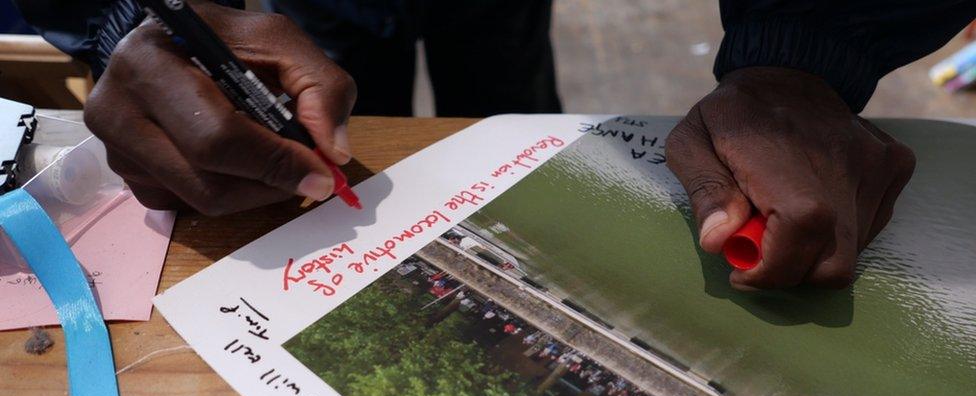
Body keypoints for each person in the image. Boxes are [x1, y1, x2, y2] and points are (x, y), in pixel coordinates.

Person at [14, 0, 976, 290]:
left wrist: (804, 50)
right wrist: (125, 17)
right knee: (317, 129)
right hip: (280, 11)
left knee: (510, 104)